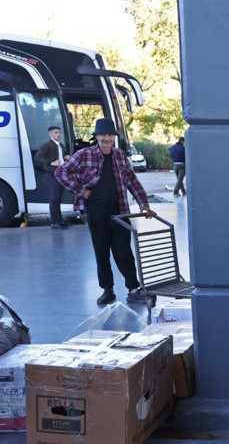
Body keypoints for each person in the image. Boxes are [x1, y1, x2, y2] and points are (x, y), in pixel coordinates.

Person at [55, 118, 155, 305]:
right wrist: (81, 191)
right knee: (102, 252)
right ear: (97, 136)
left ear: (114, 137)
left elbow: (132, 181)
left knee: (124, 251)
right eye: (103, 134)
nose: (107, 138)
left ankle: (133, 289)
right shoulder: (84, 154)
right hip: (96, 211)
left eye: (110, 134)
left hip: (120, 211)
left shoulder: (120, 156)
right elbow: (61, 172)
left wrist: (144, 203)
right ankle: (107, 290)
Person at [34, 126, 70, 229]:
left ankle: (59, 221)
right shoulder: (47, 145)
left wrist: (66, 157)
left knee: (58, 198)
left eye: (59, 132)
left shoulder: (61, 145)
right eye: (55, 132)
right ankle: (54, 222)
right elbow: (38, 157)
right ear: (50, 134)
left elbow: (61, 158)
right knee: (54, 198)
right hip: (52, 174)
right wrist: (51, 163)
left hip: (61, 174)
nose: (58, 134)